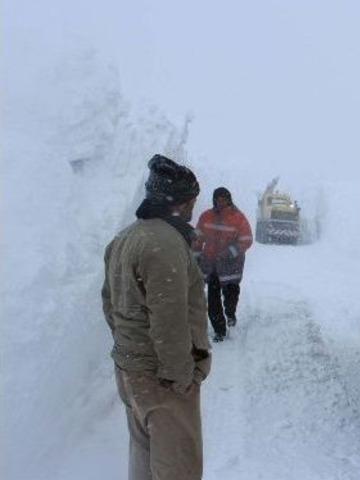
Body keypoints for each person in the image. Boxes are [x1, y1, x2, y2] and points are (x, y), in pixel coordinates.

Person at [101, 154, 211, 480]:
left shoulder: (125, 237)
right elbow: (169, 318)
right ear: (180, 201)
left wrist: (129, 350)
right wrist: (179, 377)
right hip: (161, 378)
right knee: (178, 468)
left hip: (131, 370)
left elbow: (109, 303)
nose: (194, 207)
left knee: (144, 460)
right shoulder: (164, 243)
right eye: (192, 199)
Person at [195, 186, 253, 342]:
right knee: (213, 300)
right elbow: (197, 239)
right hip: (212, 266)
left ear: (229, 199)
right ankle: (219, 331)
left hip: (231, 267)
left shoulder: (238, 218)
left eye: (224, 199)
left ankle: (230, 314)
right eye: (217, 199)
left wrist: (230, 252)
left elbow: (247, 239)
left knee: (231, 296)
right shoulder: (206, 216)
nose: (220, 202)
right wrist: (196, 257)